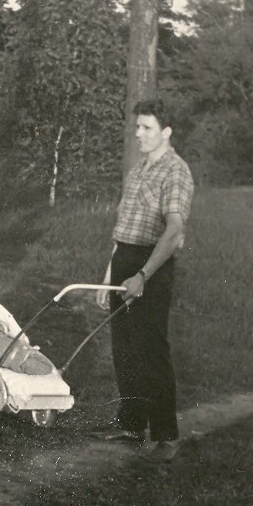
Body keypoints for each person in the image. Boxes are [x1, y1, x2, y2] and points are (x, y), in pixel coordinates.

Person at [95, 98, 193, 461]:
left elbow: (174, 231)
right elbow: (124, 228)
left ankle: (166, 436)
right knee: (124, 347)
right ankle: (132, 424)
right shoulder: (137, 171)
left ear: (166, 132)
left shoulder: (176, 172)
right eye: (137, 127)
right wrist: (111, 272)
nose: (138, 133)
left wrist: (142, 275)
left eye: (146, 127)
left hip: (152, 264)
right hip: (125, 259)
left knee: (151, 350)